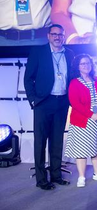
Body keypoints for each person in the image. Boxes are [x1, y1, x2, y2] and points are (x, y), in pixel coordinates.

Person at [24, 24, 74, 190]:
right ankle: (41, 179)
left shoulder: (70, 54)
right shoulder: (38, 52)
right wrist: (33, 100)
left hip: (61, 103)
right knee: (40, 142)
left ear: (64, 36)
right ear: (48, 36)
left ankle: (56, 175)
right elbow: (28, 78)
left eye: (60, 34)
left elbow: (72, 81)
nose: (57, 37)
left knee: (57, 141)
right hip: (43, 103)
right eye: (54, 34)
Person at [65, 54, 97, 187]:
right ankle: (81, 177)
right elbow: (75, 103)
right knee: (82, 150)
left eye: (88, 63)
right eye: (83, 64)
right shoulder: (75, 82)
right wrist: (91, 115)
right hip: (83, 120)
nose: (86, 66)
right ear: (78, 67)